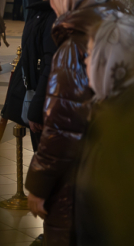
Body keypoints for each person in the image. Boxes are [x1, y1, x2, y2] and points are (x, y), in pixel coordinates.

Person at [25, 0, 118, 244]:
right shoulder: (116, 25)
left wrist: (39, 185)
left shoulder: (75, 44)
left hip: (81, 170)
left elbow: (64, 124)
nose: (52, 4)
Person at [75, 12, 134, 246]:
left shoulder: (121, 122)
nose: (86, 61)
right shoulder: (106, 107)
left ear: (110, 59)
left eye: (91, 53)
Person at [2, 0, 62, 151]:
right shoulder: (44, 12)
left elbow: (50, 66)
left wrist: (36, 110)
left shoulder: (53, 17)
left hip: (46, 103)